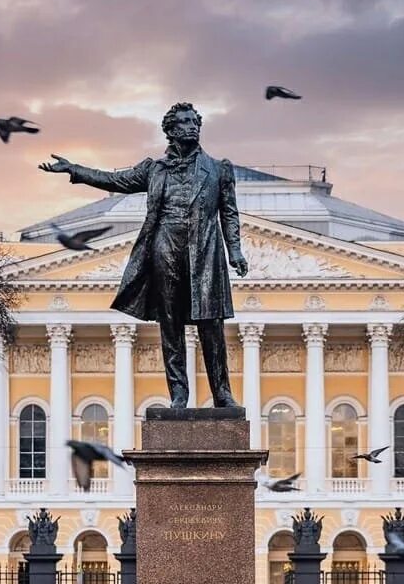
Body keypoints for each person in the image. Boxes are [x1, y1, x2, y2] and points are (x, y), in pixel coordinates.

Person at [39, 103, 248, 407]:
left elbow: (229, 214)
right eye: (185, 122)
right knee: (170, 325)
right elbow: (115, 180)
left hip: (204, 253)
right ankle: (179, 394)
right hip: (165, 249)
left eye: (195, 122)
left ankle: (222, 394)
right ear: (171, 130)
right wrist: (75, 169)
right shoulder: (154, 170)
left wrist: (236, 250)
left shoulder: (218, 169)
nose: (192, 126)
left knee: (211, 325)